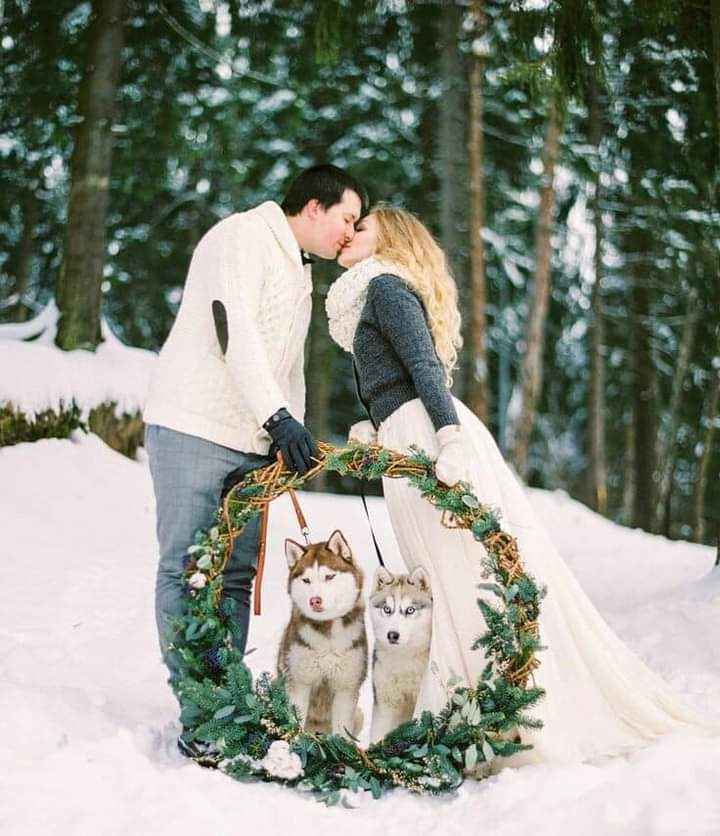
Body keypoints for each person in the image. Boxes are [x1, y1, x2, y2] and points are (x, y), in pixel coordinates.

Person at [325, 203, 716, 768]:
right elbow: (396, 379)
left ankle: (498, 719)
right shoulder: (375, 292)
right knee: (439, 574)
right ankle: (465, 715)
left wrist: (450, 440)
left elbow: (425, 371)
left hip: (430, 438)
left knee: (460, 574)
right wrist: (378, 424)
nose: (348, 235)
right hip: (406, 437)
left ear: (391, 240)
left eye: (362, 227)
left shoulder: (385, 286)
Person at [143, 165, 368, 743]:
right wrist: (279, 419)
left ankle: (228, 702)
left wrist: (290, 436)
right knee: (188, 568)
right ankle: (199, 708)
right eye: (347, 217)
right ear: (313, 207)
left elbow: (284, 368)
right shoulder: (242, 236)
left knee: (237, 575)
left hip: (252, 445)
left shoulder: (299, 270)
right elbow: (233, 331)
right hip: (195, 425)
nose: (350, 232)